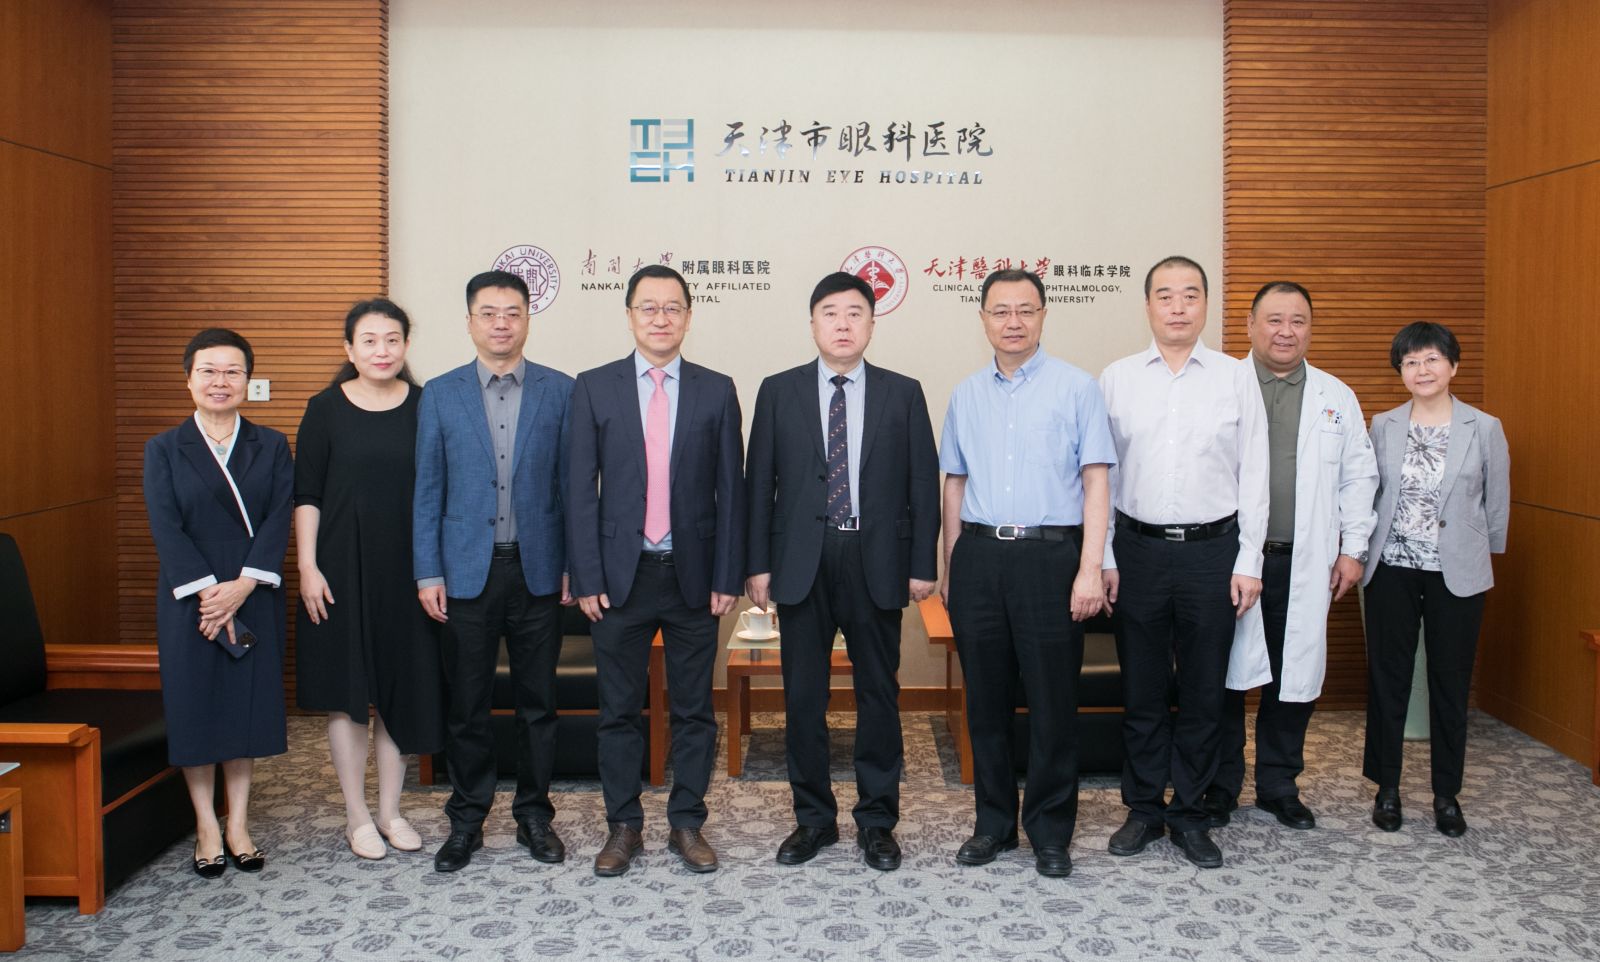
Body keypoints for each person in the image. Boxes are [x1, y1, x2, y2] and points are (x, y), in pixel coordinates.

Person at [746, 271, 940, 872]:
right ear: (813, 324)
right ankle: (813, 820)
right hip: (800, 560)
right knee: (803, 697)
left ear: (872, 325)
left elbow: (922, 484)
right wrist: (757, 565)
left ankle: (878, 822)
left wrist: (922, 563)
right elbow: (759, 486)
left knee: (878, 694)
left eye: (855, 313)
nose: (843, 324)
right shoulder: (778, 391)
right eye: (830, 313)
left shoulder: (903, 393)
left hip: (875, 558)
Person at [566, 265, 745, 876]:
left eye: (673, 307)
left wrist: (728, 574)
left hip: (693, 575)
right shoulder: (595, 387)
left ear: (689, 316)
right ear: (630, 316)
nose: (661, 318)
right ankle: (623, 826)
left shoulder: (717, 389)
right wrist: (586, 576)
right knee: (618, 710)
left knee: (695, 710)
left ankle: (687, 823)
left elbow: (732, 490)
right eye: (649, 307)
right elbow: (578, 489)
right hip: (620, 578)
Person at [938, 268, 1116, 878]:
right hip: (980, 556)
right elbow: (954, 485)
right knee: (985, 704)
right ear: (983, 318)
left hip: (1051, 558)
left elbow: (1096, 483)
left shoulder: (1078, 388)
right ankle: (993, 825)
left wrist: (1090, 568)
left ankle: (1049, 830)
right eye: (1000, 311)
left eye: (1025, 310)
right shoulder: (966, 394)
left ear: (1043, 315)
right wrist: (951, 567)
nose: (1013, 322)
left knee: (1052, 703)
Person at [1099, 256, 1270, 869]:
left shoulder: (1235, 378)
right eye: (1166, 295)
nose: (1178, 306)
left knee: (1204, 693)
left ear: (1206, 305)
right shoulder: (1116, 379)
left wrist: (1249, 561)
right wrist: (1105, 555)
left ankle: (1191, 813)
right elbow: (1100, 477)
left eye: (1190, 295)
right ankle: (1144, 809)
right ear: (1147, 305)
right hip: (1137, 552)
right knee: (1142, 689)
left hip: (1212, 553)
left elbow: (1256, 475)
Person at [414, 270, 574, 873]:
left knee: (539, 703)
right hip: (463, 574)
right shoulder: (440, 393)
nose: (501, 323)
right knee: (468, 706)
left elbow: (572, 487)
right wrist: (428, 572)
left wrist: (574, 566)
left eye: (512, 313)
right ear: (469, 322)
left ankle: (534, 816)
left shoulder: (561, 390)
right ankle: (467, 820)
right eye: (488, 313)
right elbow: (427, 490)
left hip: (538, 571)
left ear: (528, 319)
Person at [1205, 282, 1378, 831]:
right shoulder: (1221, 386)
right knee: (1223, 675)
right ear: (1250, 325)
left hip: (1304, 561)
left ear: (1310, 329)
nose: (1286, 332)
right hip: (1229, 558)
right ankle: (1220, 785)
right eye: (1274, 320)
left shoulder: (1335, 396)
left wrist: (1353, 550)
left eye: (1297, 321)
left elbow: (1359, 477)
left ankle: (1279, 785)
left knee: (1293, 674)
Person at [295, 299, 445, 860]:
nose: (382, 350)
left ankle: (390, 811)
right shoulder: (324, 409)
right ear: (349, 349)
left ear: (406, 345)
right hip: (339, 566)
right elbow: (307, 494)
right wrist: (308, 567)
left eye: (392, 339)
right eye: (369, 340)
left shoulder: (427, 406)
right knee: (349, 694)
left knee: (402, 689)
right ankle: (357, 815)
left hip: (410, 569)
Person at [143, 328, 292, 879]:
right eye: (208, 371)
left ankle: (239, 823)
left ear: (248, 381)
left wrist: (243, 586)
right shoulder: (163, 448)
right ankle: (206, 823)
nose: (220, 381)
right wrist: (211, 592)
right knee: (195, 706)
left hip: (252, 590)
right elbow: (165, 524)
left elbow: (279, 516)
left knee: (243, 707)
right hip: (192, 598)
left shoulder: (271, 444)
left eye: (232, 371)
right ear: (189, 379)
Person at [1361, 321, 1509, 837]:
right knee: (1388, 680)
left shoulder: (1484, 427)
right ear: (1400, 371)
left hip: (1457, 573)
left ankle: (1447, 795)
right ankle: (1387, 788)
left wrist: (1481, 555)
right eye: (1410, 362)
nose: (1421, 370)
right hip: (1391, 568)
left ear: (1453, 366)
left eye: (1431, 359)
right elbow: (1369, 493)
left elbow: (1496, 503)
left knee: (1450, 682)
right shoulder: (1383, 425)